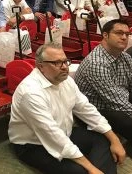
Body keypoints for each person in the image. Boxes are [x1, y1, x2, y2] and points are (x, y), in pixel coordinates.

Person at [9, 42, 125, 174]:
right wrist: (91, 168)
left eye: (65, 61)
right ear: (41, 66)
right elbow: (52, 135)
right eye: (57, 63)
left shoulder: (66, 80)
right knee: (80, 171)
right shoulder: (30, 93)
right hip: (33, 145)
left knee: (105, 138)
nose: (64, 67)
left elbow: (86, 109)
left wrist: (114, 139)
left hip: (65, 133)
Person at [76, 19, 132, 145]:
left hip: (118, 100)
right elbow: (117, 103)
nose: (124, 37)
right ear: (105, 35)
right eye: (119, 33)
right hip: (96, 110)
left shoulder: (125, 57)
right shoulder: (96, 63)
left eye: (127, 34)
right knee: (124, 119)